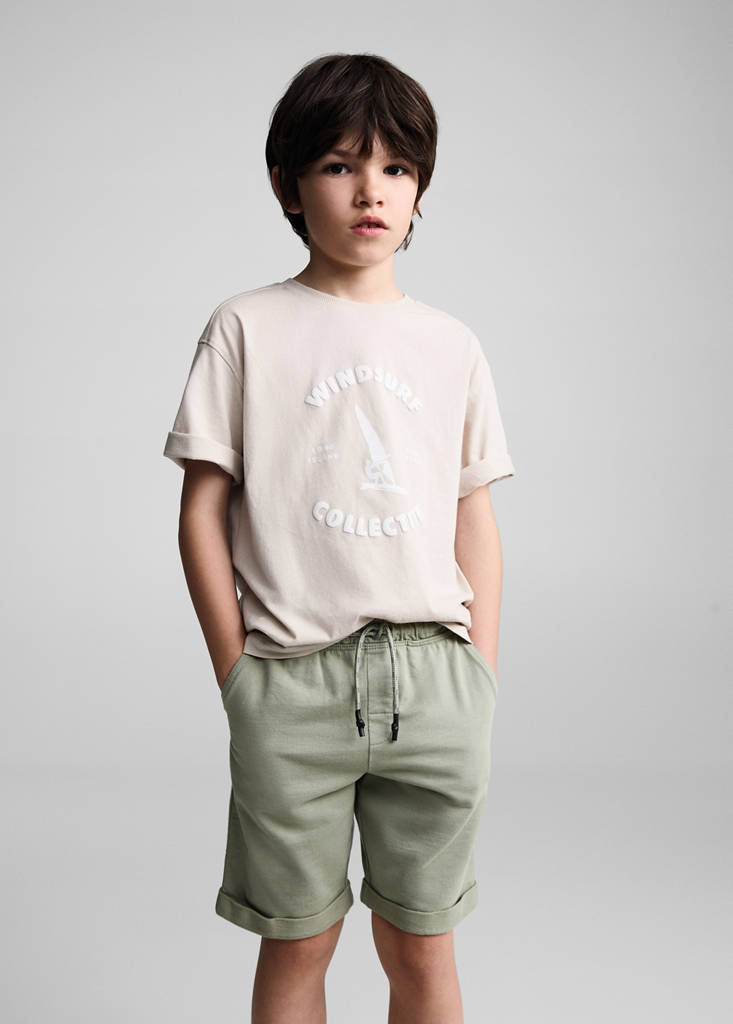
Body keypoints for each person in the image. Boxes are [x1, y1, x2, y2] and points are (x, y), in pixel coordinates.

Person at [163, 52, 516, 1024]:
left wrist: (478, 673)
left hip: (434, 679)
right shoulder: (246, 327)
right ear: (287, 184)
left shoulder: (450, 344)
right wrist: (238, 675)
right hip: (291, 681)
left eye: (396, 167)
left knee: (422, 941)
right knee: (299, 939)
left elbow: (473, 516)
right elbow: (201, 509)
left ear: (419, 189)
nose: (371, 191)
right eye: (339, 165)